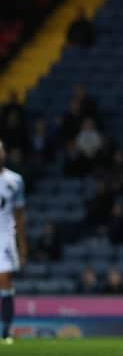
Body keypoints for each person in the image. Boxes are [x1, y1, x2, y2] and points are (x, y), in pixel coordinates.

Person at [0, 139, 27, 345]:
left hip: (5, 235)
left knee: (5, 279)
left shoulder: (15, 180)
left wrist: (22, 244)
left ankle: (6, 331)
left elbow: (19, 215)